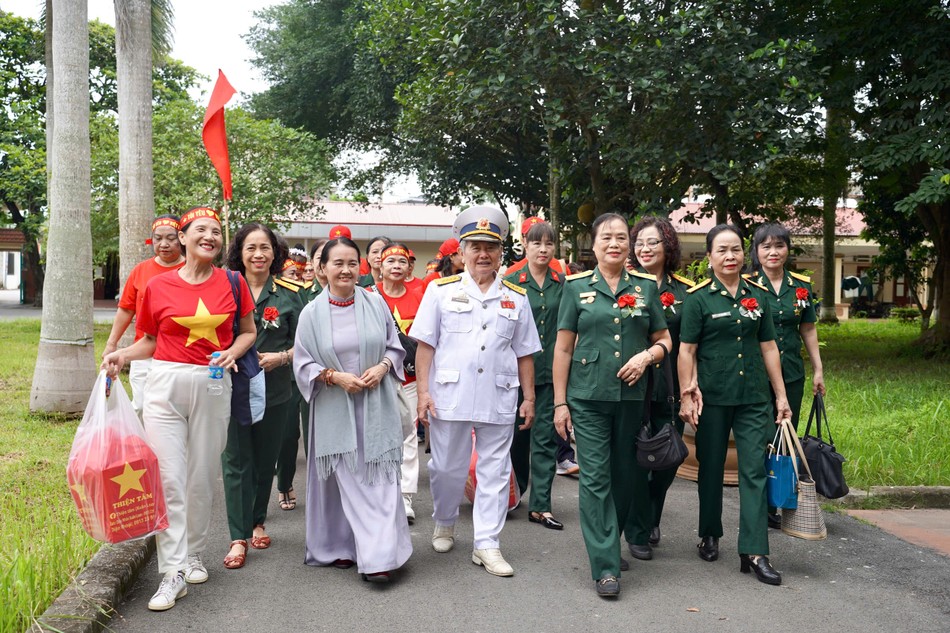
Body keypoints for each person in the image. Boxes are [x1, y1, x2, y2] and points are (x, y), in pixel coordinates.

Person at [101, 207, 256, 611]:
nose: (210, 236)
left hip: (213, 384)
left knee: (200, 476)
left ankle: (194, 554)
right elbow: (150, 340)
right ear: (183, 238)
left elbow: (249, 332)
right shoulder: (157, 286)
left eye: (216, 231)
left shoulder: (234, 283)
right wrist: (121, 356)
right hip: (164, 383)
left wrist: (232, 352)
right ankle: (171, 573)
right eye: (201, 230)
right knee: (168, 478)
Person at [412, 205, 541, 578]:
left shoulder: (516, 297)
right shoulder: (440, 290)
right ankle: (445, 520)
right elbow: (425, 347)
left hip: (499, 394)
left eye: (491, 247)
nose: (483, 254)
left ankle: (487, 543)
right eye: (475, 247)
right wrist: (422, 393)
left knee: (496, 471)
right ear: (462, 253)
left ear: (502, 252)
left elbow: (525, 352)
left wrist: (529, 397)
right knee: (447, 468)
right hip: (449, 394)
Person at [552, 212, 671, 598]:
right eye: (607, 237)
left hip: (632, 397)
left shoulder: (645, 288)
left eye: (622, 237)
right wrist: (560, 403)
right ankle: (604, 565)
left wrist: (647, 357)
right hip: (587, 397)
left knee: (625, 476)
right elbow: (564, 348)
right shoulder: (575, 288)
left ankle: (608, 537)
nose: (615, 243)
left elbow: (665, 340)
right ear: (594, 243)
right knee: (595, 478)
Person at [677, 224, 792, 587]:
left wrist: (781, 395)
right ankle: (710, 532)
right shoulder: (698, 299)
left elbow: (769, 346)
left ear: (745, 255)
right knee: (709, 468)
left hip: (754, 397)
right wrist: (686, 391)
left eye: (736, 250)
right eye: (722, 250)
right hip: (712, 397)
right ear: (709, 257)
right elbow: (687, 350)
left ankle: (755, 551)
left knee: (754, 471)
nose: (730, 257)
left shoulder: (757, 296)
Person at [293, 236, 411, 583]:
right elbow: (302, 364)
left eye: (351, 263)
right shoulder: (311, 313)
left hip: (376, 407)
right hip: (334, 408)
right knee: (347, 481)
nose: (345, 270)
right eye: (337, 263)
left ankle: (379, 558)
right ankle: (343, 546)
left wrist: (383, 367)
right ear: (322, 268)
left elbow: (395, 348)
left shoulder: (376, 304)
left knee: (380, 480)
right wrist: (333, 377)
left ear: (360, 266)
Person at [220, 224, 304, 569]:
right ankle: (238, 536)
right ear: (239, 252)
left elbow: (308, 345)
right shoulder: (223, 288)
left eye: (265, 247)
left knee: (264, 460)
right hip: (230, 387)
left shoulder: (291, 293)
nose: (258, 254)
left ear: (275, 252)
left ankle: (257, 521)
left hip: (276, 389)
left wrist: (282, 357)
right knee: (236, 461)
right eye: (251, 247)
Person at [621, 216, 694, 554]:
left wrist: (691, 387)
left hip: (669, 386)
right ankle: (638, 531)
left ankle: (651, 512)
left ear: (668, 246)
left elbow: (693, 345)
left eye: (653, 242)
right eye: (640, 243)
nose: (645, 248)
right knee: (636, 459)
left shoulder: (684, 292)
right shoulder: (625, 284)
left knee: (669, 457)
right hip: (632, 385)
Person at [748, 222, 826, 528]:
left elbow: (808, 329)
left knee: (785, 438)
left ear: (787, 249)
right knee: (760, 437)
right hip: (755, 374)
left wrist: (818, 368)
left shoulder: (801, 288)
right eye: (765, 246)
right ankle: (760, 504)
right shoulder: (747, 287)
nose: (773, 252)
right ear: (756, 252)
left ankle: (776, 500)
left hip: (792, 373)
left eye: (779, 245)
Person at [504, 219, 573, 530]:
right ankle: (511, 495)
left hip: (550, 374)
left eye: (548, 243)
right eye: (536, 243)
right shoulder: (510, 281)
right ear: (525, 246)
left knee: (545, 439)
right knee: (514, 438)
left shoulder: (563, 283)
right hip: (514, 374)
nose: (543, 249)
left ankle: (540, 506)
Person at [104, 215, 185, 413]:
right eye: (158, 238)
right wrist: (111, 343)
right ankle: (141, 444)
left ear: (182, 238)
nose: (164, 244)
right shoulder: (141, 270)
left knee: (171, 409)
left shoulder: (191, 270)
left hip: (178, 355)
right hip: (144, 352)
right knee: (140, 407)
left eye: (170, 238)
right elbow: (126, 309)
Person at [371, 243, 424, 523]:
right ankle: (378, 493)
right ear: (379, 265)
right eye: (390, 261)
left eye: (401, 262)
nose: (396, 266)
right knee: (376, 435)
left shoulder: (420, 296)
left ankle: (405, 496)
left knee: (408, 435)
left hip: (412, 378)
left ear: (408, 267)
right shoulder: (368, 296)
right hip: (378, 378)